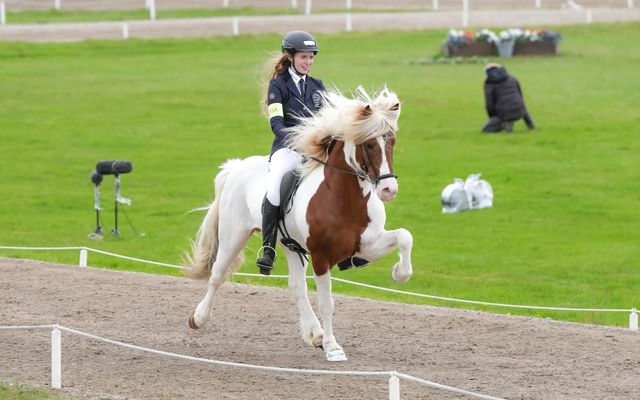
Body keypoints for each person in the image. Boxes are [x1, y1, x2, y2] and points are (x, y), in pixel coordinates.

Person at [256, 31, 326, 275]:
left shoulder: (317, 86)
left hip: (315, 151)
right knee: (275, 188)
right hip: (287, 149)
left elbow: (326, 120)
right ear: (291, 57)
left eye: (310, 57)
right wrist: (299, 142)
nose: (307, 62)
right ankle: (268, 249)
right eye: (303, 57)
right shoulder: (278, 86)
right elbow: (276, 124)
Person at [482, 63, 535, 133]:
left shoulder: (489, 84)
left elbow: (489, 104)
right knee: (521, 105)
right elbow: (520, 95)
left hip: (503, 112)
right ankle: (530, 124)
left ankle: (504, 124)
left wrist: (492, 117)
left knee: (486, 130)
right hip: (519, 108)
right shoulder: (512, 78)